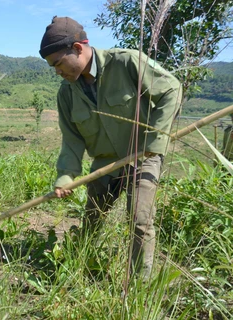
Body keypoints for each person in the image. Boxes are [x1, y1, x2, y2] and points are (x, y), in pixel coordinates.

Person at [39, 16, 182, 280]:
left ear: (79, 48)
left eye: (58, 63)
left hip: (143, 155)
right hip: (105, 162)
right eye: (53, 67)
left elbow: (171, 88)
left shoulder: (127, 62)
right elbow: (72, 139)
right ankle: (79, 269)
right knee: (93, 217)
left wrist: (154, 141)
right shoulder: (67, 93)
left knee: (140, 221)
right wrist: (65, 176)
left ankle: (139, 285)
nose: (57, 71)